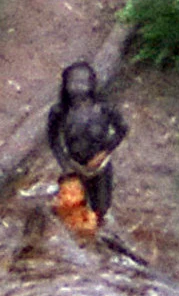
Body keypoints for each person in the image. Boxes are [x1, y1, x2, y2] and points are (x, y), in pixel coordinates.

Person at [47, 61, 128, 219]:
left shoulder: (104, 107)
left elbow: (122, 129)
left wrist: (104, 153)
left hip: (100, 166)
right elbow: (53, 140)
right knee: (77, 205)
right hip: (75, 166)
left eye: (82, 83)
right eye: (73, 83)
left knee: (102, 207)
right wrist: (65, 165)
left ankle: (102, 228)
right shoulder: (60, 111)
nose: (78, 88)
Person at [53, 174, 99, 240]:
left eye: (72, 194)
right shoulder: (57, 210)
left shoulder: (85, 213)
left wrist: (81, 227)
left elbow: (91, 227)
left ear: (82, 195)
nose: (68, 197)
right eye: (63, 193)